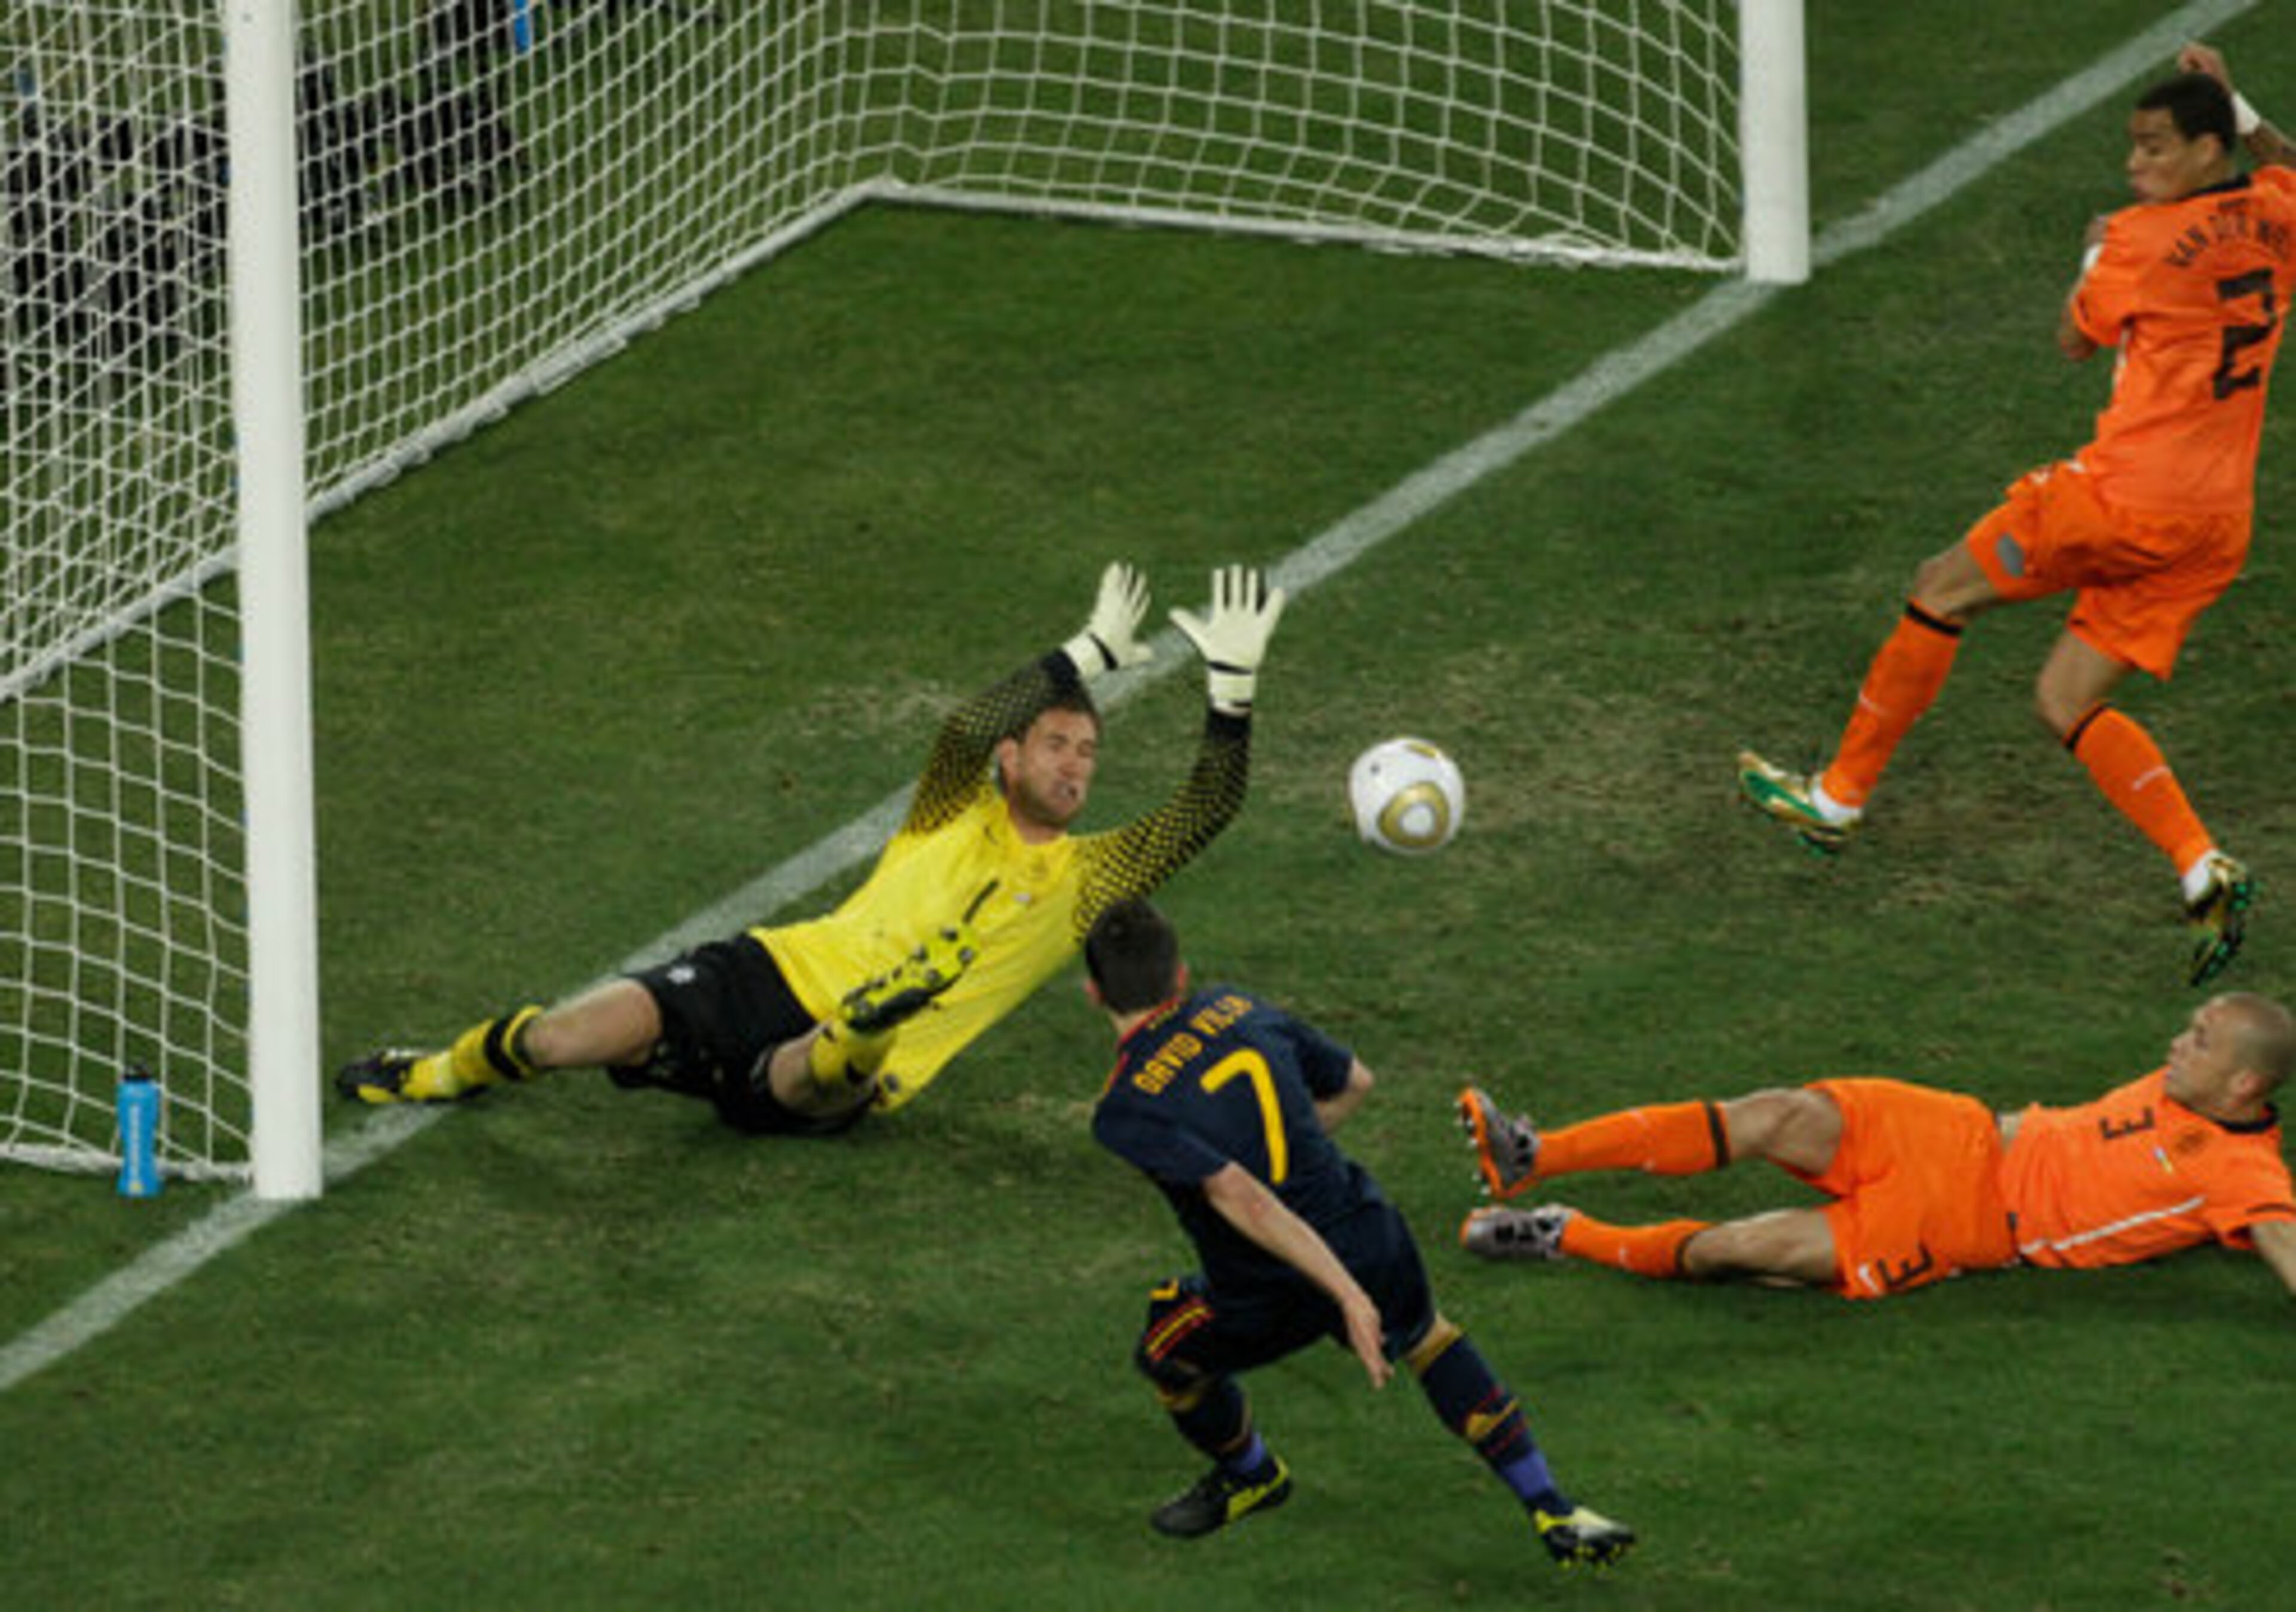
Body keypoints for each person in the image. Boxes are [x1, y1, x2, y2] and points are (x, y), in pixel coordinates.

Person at [338, 562, 1286, 1137]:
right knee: (559, 1038)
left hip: (848, 1076)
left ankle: (872, 1021)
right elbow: (961, 727)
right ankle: (436, 1070)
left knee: (813, 1075)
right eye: (1058, 743)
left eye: (1088, 751)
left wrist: (1233, 689)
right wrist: (1081, 656)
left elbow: (1205, 809)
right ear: (1014, 757)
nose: (1078, 764)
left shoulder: (1089, 880)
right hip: (769, 969)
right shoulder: (953, 806)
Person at [1738, 44, 2296, 988]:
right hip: (2213, 525)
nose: (2135, 166)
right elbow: (2285, 163)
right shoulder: (2281, 212)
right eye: (2132, 149)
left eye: (2157, 148)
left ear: (2206, 152)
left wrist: (2091, 248)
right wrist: (2240, 105)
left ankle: (1836, 802)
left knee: (1938, 589)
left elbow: (2076, 338)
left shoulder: (2138, 241)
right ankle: (2205, 869)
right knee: (2065, 701)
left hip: (2119, 500)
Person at [1083, 896, 1634, 1567]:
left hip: (1266, 1286)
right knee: (1431, 1339)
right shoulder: (1237, 1007)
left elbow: (1243, 1196)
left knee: (1166, 1347)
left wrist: (1343, 1293)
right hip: (1363, 1225)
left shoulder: (1124, 1108)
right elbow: (1355, 1082)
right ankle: (1553, 1505)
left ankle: (1252, 1475)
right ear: (1181, 975)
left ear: (1094, 992)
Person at [1457, 993, 2296, 1302]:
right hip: (1959, 1129)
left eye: (2201, 1043)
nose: (2177, 1045)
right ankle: (1534, 1154)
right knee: (1780, 1112)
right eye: (2192, 1029)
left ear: (2243, 1091)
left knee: (1745, 1249)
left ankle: (1566, 1231)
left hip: (1972, 1222)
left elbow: (2283, 1245)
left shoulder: (2243, 1172)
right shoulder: (2183, 1088)